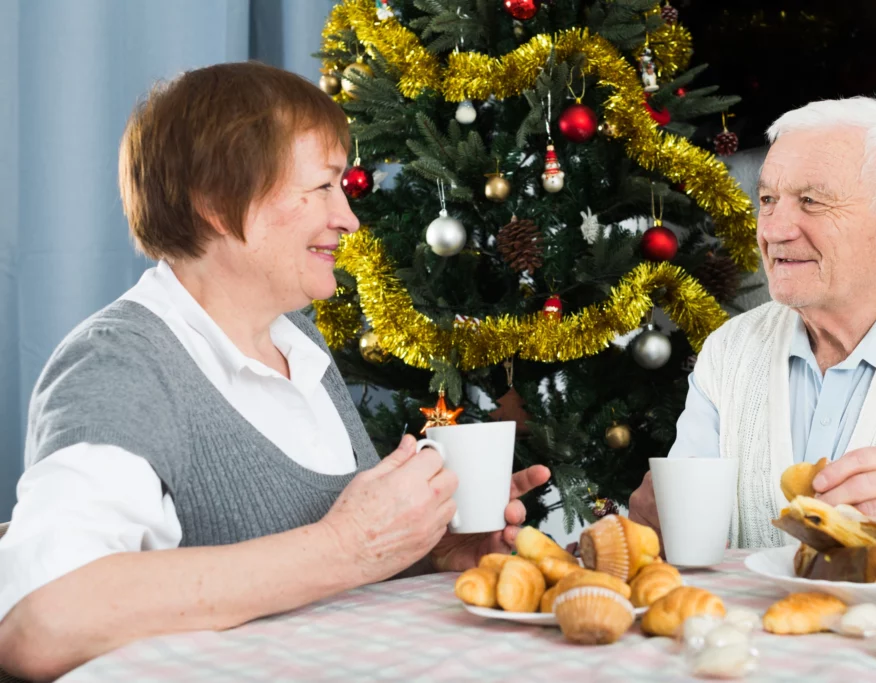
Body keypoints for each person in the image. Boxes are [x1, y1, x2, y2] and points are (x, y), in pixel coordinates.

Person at [0, 61, 550, 681]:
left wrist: (423, 551)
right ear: (215, 202)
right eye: (321, 187)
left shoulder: (298, 342)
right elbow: (43, 621)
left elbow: (321, 579)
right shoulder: (121, 364)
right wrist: (346, 548)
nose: (349, 218)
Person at [629, 97, 876, 551]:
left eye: (812, 201)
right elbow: (683, 539)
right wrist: (654, 532)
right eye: (768, 200)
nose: (773, 230)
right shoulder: (727, 354)